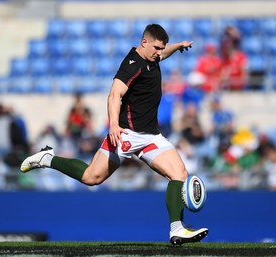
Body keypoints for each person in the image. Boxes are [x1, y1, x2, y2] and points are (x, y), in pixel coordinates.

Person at [20, 24, 208, 245]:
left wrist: (177, 46)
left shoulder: (153, 57)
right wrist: (113, 126)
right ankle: (47, 158)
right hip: (125, 134)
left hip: (151, 136)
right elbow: (114, 95)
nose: (159, 52)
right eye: (157, 47)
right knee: (92, 177)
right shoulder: (132, 64)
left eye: (162, 48)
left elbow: (162, 53)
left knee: (179, 173)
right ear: (144, 42)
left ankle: (177, 229)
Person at [219, 26, 248, 91]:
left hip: (238, 89)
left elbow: (244, 75)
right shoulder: (223, 59)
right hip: (226, 89)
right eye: (224, 47)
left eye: (228, 47)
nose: (226, 49)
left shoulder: (240, 57)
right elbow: (222, 76)